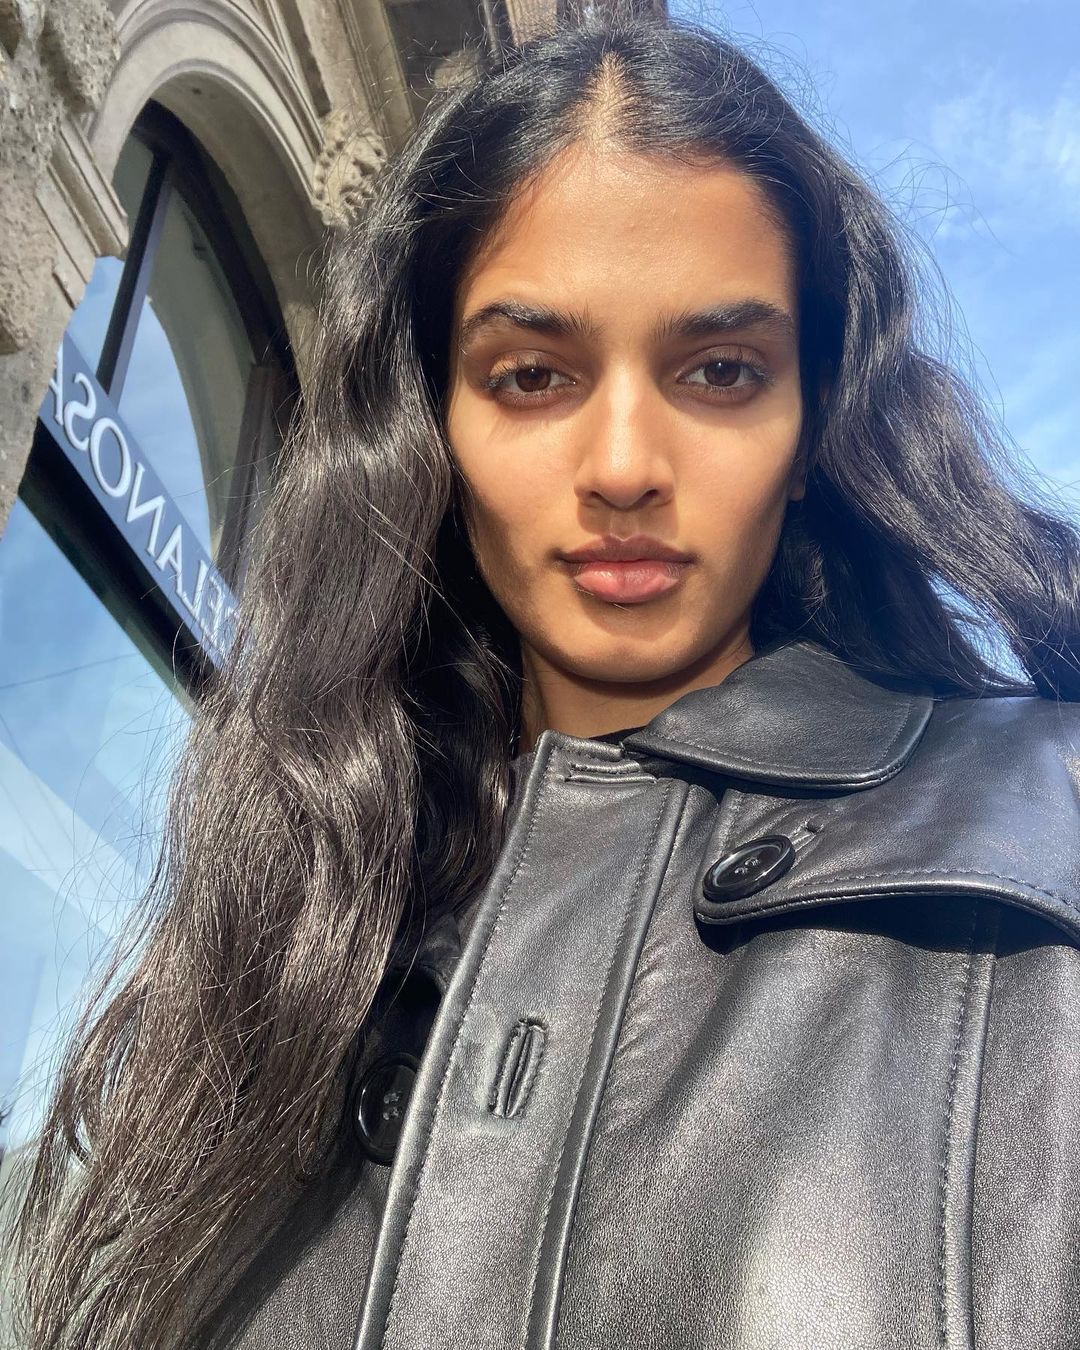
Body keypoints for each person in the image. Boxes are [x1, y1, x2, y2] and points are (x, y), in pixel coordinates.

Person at [8, 4, 1080, 1348]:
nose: (624, 465)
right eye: (530, 375)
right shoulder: (308, 900)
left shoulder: (1046, 820)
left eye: (721, 370)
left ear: (814, 424)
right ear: (431, 421)